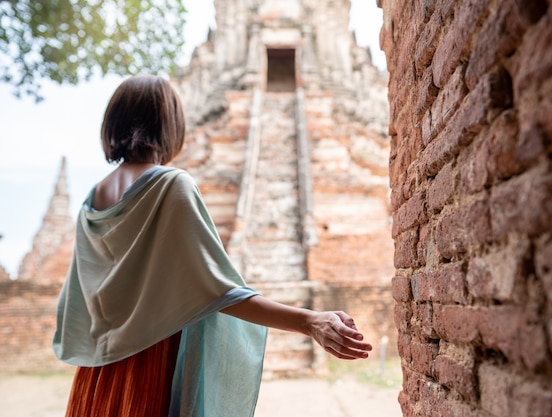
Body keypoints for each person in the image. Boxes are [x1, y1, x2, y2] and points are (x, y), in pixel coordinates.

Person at [52, 74, 372, 417]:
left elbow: (79, 301)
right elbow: (218, 290)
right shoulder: (170, 185)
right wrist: (310, 321)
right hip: (153, 369)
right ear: (170, 124)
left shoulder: (92, 201)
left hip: (96, 377)